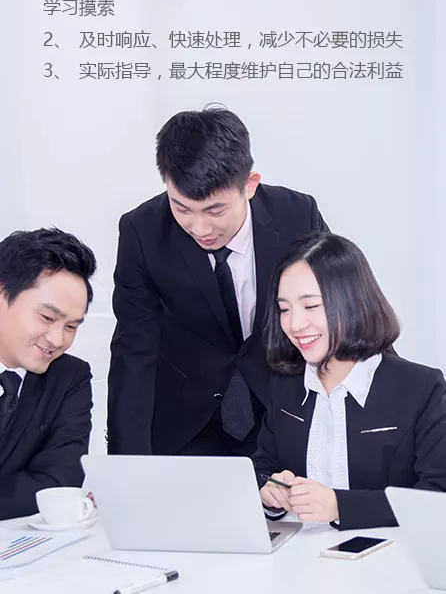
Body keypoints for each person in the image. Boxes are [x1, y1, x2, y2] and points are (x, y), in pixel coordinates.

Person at [107, 107, 327, 457]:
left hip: (280, 409)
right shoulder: (142, 231)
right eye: (182, 209)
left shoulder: (297, 216)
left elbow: (338, 312)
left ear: (250, 185)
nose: (200, 228)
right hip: (184, 421)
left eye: (215, 211)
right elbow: (133, 349)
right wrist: (125, 463)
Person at [253, 232, 446, 530]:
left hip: (389, 553)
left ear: (352, 302)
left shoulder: (421, 388)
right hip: (298, 553)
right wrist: (271, 491)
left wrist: (339, 506)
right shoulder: (285, 384)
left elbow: (437, 496)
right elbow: (263, 466)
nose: (295, 324)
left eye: (311, 306)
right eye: (284, 309)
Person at [0, 227, 96, 520]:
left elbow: (58, 484)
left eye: (71, 327)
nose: (57, 339)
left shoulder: (70, 378)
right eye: (47, 317)